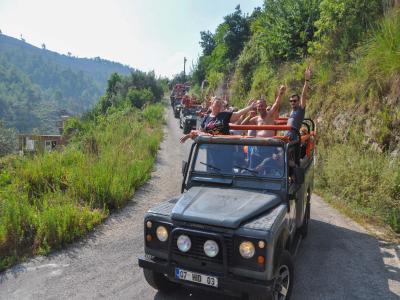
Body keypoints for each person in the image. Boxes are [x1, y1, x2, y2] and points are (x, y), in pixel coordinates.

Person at [180, 96, 257, 143]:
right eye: (216, 104)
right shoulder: (206, 118)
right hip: (211, 147)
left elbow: (238, 113)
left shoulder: (224, 115)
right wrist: (188, 136)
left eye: (220, 104)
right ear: (212, 105)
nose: (218, 106)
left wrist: (250, 107)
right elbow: (200, 132)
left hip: (224, 145)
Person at [285, 67, 312, 141]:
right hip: (286, 138)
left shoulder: (300, 109)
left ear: (298, 101)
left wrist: (306, 80)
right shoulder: (292, 111)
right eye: (291, 101)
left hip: (293, 140)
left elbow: (303, 95)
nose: (292, 102)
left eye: (294, 101)